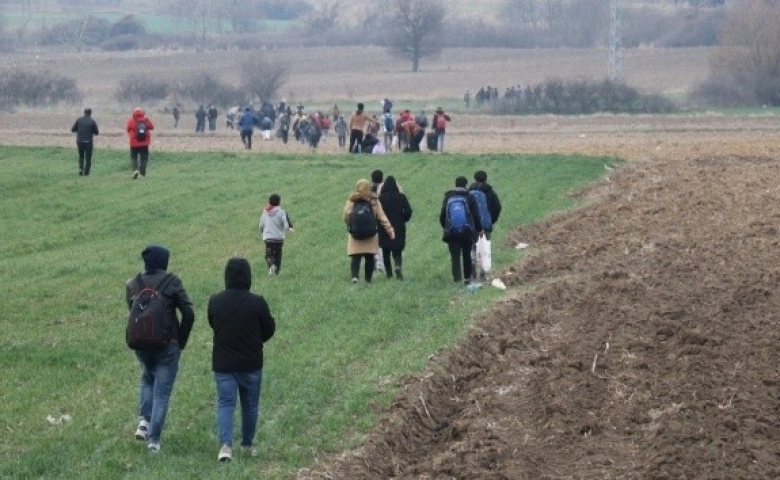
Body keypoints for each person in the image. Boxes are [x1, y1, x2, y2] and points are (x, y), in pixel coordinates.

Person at [126, 245, 195, 454]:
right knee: (162, 393)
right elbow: (189, 313)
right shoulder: (172, 282)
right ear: (164, 261)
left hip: (141, 343)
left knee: (147, 378)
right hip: (167, 344)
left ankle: (143, 423)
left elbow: (132, 310)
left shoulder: (133, 283)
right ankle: (154, 441)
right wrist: (180, 340)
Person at [207, 257, 276, 462]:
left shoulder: (215, 301)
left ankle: (226, 446)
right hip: (251, 363)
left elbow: (213, 323)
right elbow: (269, 329)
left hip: (224, 364)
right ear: (248, 276)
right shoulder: (257, 302)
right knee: (250, 405)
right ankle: (246, 445)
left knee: (225, 404)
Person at [343, 179, 395, 284]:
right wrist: (390, 230)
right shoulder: (374, 200)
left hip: (355, 233)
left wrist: (350, 224)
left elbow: (346, 215)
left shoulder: (352, 200)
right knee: (369, 257)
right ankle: (368, 279)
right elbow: (382, 217)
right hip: (370, 233)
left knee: (355, 256)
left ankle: (355, 277)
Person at [439, 176, 483, 285]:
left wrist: (446, 227)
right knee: (467, 254)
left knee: (455, 255)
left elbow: (442, 215)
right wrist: (479, 229)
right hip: (467, 231)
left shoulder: (448, 197)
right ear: (466, 185)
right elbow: (476, 215)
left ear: (455, 184)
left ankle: (457, 279)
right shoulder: (470, 197)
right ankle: (467, 278)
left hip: (452, 231)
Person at [469, 170, 503, 279]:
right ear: (486, 179)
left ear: (475, 179)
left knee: (472, 247)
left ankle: (472, 271)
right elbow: (498, 207)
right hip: (485, 225)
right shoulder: (490, 192)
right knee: (485, 248)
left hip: (472, 225)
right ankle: (484, 273)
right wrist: (491, 220)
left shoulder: (469, 192)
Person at [378, 176, 413, 280]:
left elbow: (377, 213)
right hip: (398, 226)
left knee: (385, 251)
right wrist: (403, 219)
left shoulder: (381, 198)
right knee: (397, 249)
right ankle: (398, 265)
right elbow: (408, 211)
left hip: (384, 227)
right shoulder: (401, 197)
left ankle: (389, 274)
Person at [259, 194, 294, 275]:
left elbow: (261, 224)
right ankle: (277, 272)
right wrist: (289, 228)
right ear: (279, 202)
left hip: (268, 237)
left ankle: (271, 265)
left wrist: (262, 232)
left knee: (269, 254)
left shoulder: (265, 212)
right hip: (279, 238)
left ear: (269, 202)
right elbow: (285, 223)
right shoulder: (282, 212)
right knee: (278, 255)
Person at [126, 107, 154, 179]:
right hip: (144, 143)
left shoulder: (131, 120)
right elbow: (152, 127)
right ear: (142, 112)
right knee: (144, 158)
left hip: (134, 143)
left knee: (133, 157)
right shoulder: (145, 120)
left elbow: (127, 129)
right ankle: (142, 172)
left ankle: (135, 170)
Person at [71, 107, 99, 176]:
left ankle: (81, 169)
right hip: (88, 142)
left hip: (80, 141)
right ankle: (86, 172)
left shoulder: (79, 120)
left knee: (81, 156)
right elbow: (96, 132)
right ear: (90, 113)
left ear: (84, 112)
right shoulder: (92, 121)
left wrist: (79, 129)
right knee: (88, 157)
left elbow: (73, 129)